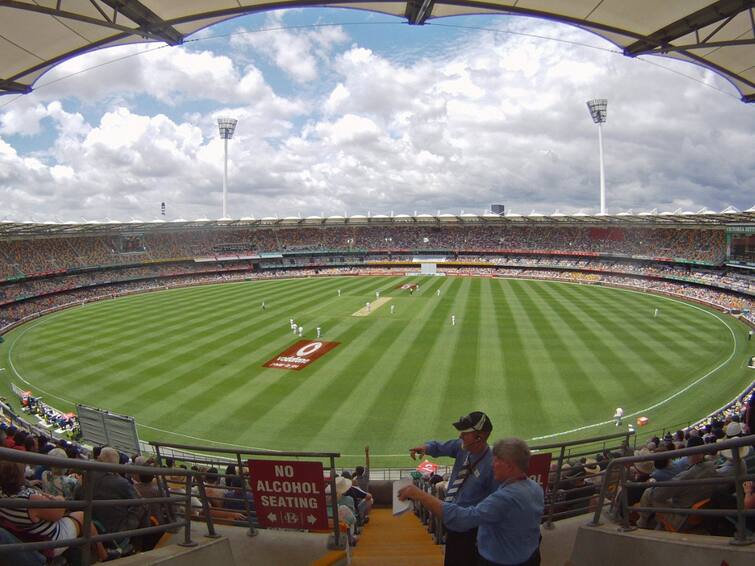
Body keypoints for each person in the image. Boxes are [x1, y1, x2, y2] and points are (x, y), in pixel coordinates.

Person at [400, 437, 543, 566]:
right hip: (528, 557)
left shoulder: (503, 498)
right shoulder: (535, 488)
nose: (492, 464)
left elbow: (462, 518)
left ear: (509, 466)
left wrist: (420, 495)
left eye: (497, 460)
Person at [409, 411, 496, 566]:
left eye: (465, 432)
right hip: (453, 524)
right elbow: (442, 446)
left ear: (479, 437)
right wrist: (426, 448)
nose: (460, 436)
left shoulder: (492, 466)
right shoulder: (462, 448)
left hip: (471, 532)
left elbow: (494, 507)